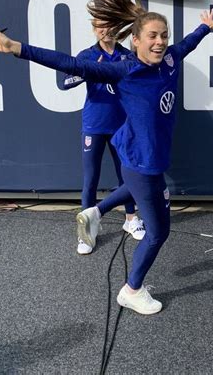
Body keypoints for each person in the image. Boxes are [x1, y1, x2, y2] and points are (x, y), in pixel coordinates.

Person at [0, 0, 213, 315]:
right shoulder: (123, 70)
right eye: (152, 36)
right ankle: (132, 289)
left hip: (145, 160)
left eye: (164, 35)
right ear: (135, 41)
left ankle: (95, 212)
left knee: (136, 191)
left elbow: (185, 45)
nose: (160, 42)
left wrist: (203, 29)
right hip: (141, 162)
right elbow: (67, 62)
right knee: (158, 232)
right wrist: (16, 48)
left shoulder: (169, 59)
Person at [63, 21, 145, 254]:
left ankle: (131, 218)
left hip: (122, 126)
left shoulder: (127, 55)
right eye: (100, 26)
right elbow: (64, 83)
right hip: (94, 125)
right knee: (91, 179)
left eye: (110, 26)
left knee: (126, 175)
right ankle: (86, 233)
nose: (105, 30)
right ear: (93, 28)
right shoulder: (87, 55)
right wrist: (85, 72)